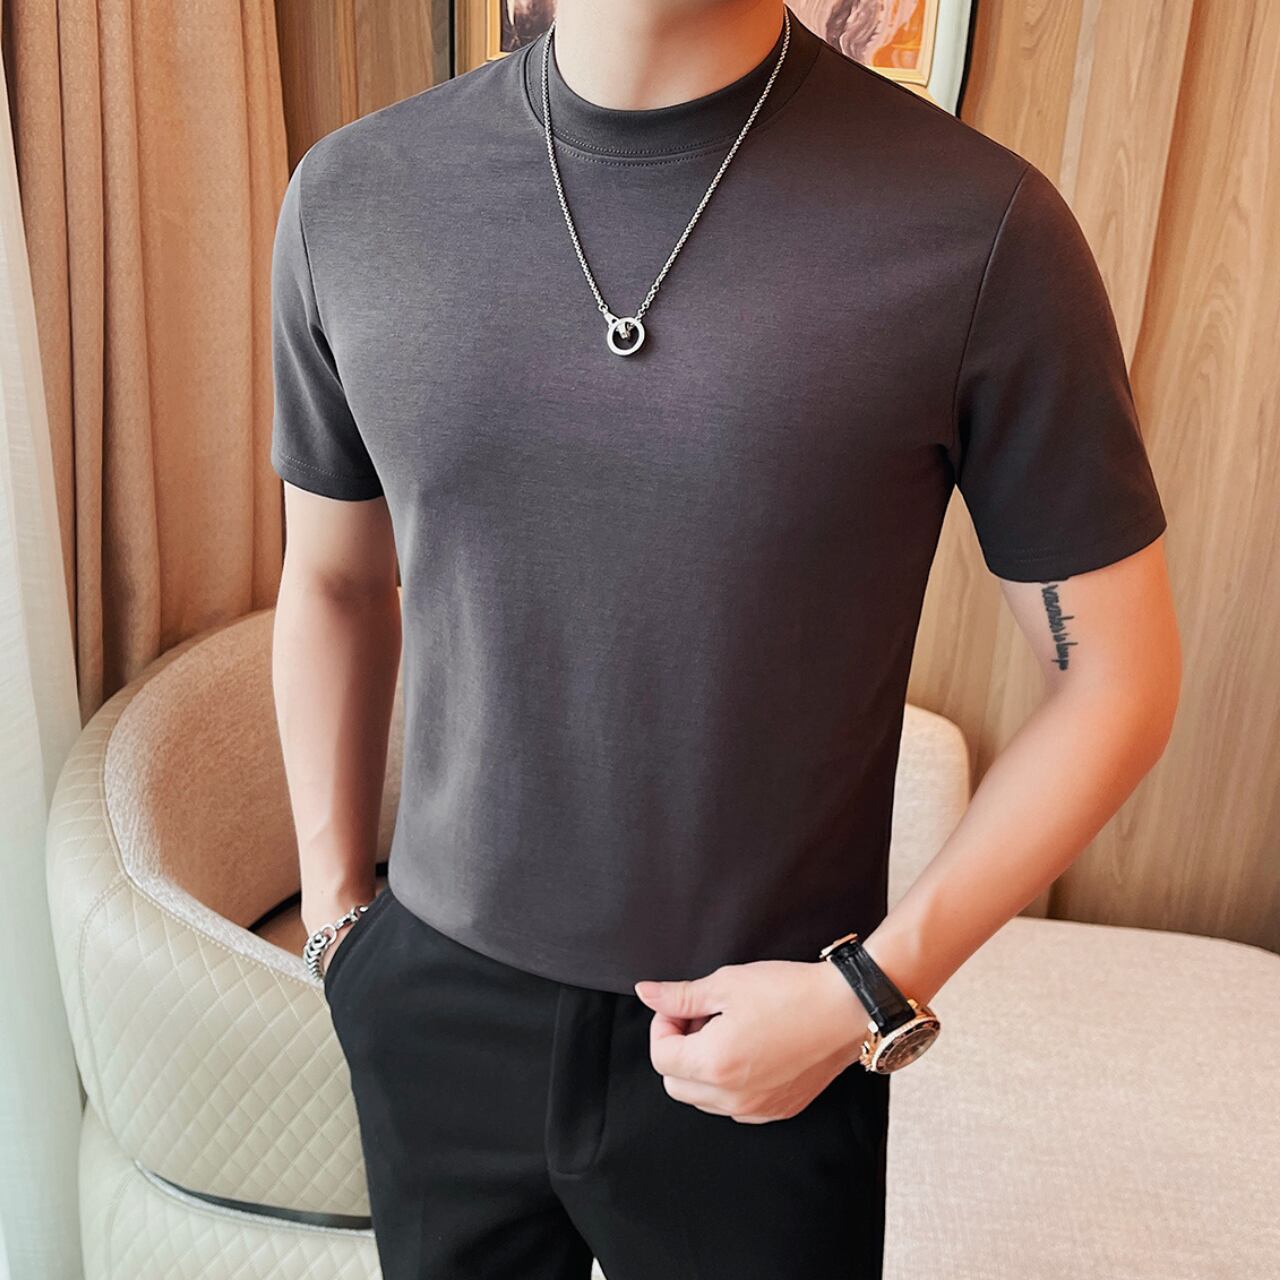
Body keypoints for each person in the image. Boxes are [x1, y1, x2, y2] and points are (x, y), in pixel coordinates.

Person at [269, 2, 1180, 1277]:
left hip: (772, 1033)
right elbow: (331, 583)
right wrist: (336, 922)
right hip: (432, 1010)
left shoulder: (979, 231)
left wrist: (866, 990)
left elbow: (1115, 678)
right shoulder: (353, 199)